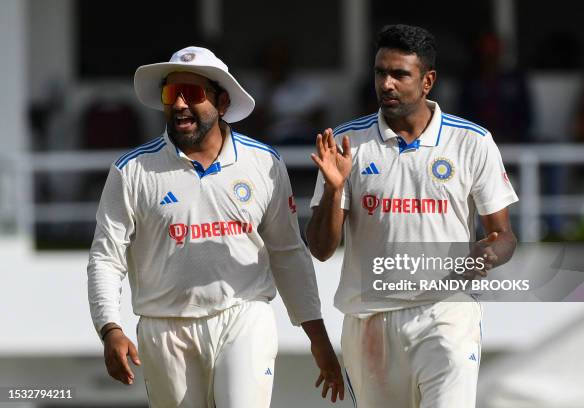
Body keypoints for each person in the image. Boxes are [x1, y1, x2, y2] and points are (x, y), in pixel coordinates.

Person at [87, 46, 344, 408]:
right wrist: (110, 327)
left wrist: (317, 336)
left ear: (222, 102)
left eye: (191, 94)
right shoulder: (132, 170)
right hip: (164, 325)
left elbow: (287, 252)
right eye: (169, 94)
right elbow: (105, 258)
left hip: (243, 315)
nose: (178, 105)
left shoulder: (263, 162)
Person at [307, 25, 518, 407]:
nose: (386, 84)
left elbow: (503, 235)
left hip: (446, 313)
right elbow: (321, 250)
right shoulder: (347, 143)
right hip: (369, 318)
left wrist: (488, 253)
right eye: (379, 72)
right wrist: (335, 189)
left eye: (399, 74)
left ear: (427, 81)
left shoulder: (471, 141)